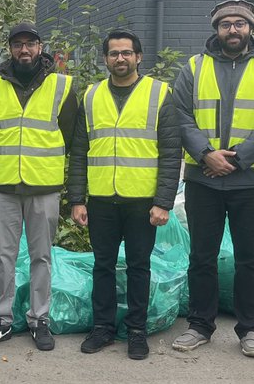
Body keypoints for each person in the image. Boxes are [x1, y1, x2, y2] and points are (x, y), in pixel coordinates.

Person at [170, 0, 254, 357]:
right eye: (226, 24)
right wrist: (206, 154)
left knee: (249, 258)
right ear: (217, 30)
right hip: (202, 180)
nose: (233, 30)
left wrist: (236, 161)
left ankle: (251, 329)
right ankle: (200, 325)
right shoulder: (194, 67)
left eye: (240, 24)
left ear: (251, 28)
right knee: (202, 256)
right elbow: (180, 114)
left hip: (249, 181)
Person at [67, 28, 181, 361]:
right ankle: (102, 328)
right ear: (106, 59)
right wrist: (77, 199)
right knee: (102, 266)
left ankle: (136, 331)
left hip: (142, 202)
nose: (121, 58)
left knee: (138, 267)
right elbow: (79, 151)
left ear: (138, 57)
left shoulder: (159, 94)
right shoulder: (90, 96)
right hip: (101, 199)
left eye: (127, 53)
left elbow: (171, 153)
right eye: (114, 53)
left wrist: (163, 202)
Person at [0, 21, 76, 352]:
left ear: (40, 46)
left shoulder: (61, 86)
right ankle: (2, 320)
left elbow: (72, 137)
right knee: (3, 256)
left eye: (30, 44)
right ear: (10, 48)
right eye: (17, 44)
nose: (24, 50)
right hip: (4, 186)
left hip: (43, 186)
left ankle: (39, 319)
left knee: (41, 256)